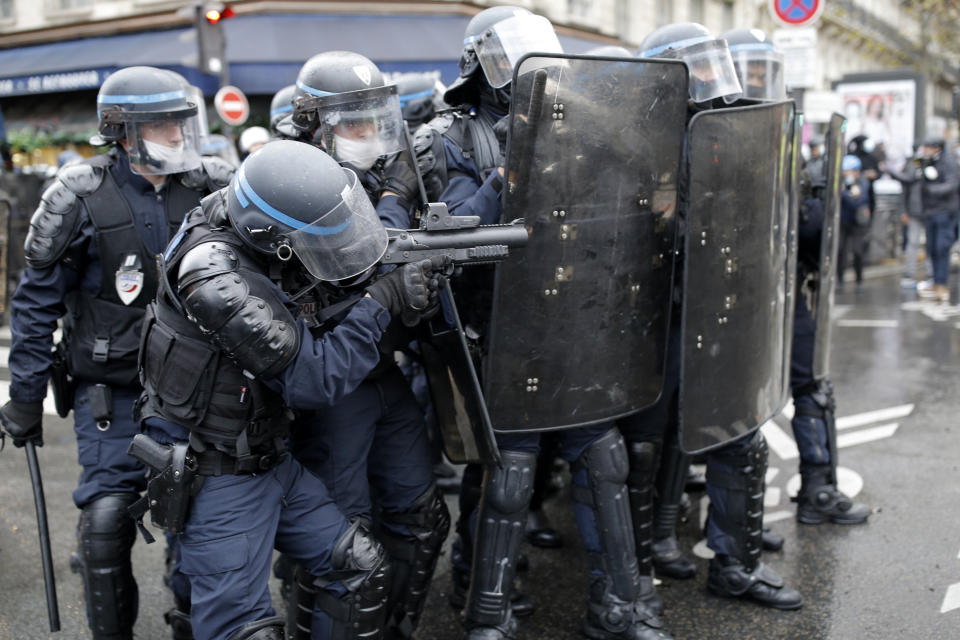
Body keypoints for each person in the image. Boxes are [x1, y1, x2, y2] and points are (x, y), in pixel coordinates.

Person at [425, 8, 673, 640]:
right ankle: (487, 610)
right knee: (507, 473)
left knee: (604, 461)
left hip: (576, 324)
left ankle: (616, 610)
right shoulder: (451, 136)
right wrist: (509, 162)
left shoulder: (583, 127)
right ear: (478, 64)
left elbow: (626, 207)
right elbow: (457, 240)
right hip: (500, 332)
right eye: (507, 57)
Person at [137, 140, 447, 640]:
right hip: (215, 472)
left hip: (267, 456)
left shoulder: (248, 222)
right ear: (275, 238)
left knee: (360, 567)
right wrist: (380, 301)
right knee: (242, 631)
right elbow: (313, 379)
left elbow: (321, 291)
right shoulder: (216, 275)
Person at [0, 65, 234, 640]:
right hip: (113, 395)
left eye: (183, 124)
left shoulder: (214, 188)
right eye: (165, 125)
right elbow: (34, 307)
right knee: (105, 523)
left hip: (202, 393)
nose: (180, 136)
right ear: (124, 132)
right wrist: (25, 396)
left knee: (201, 522)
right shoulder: (79, 197)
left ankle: (191, 623)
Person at [620, 22, 803, 611]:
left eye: (709, 65)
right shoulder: (630, 142)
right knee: (647, 447)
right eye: (692, 67)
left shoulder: (727, 132)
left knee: (739, 435)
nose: (708, 78)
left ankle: (735, 563)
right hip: (654, 320)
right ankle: (636, 567)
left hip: (720, 310)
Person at [287, 50, 448, 639]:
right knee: (342, 546)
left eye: (373, 118)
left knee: (422, 517)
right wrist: (392, 207)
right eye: (352, 122)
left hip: (384, 375)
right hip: (334, 388)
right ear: (316, 125)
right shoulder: (295, 184)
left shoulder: (380, 177)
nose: (368, 133)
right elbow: (346, 268)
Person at [792, 142, 872, 526]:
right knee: (810, 389)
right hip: (771, 297)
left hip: (764, 296)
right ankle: (817, 491)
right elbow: (810, 229)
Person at [914, 136, 958, 302]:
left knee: (942, 248)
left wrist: (931, 190)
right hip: (930, 212)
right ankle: (935, 282)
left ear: (937, 148)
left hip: (945, 213)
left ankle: (942, 284)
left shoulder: (948, 162)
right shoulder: (928, 162)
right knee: (932, 249)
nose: (924, 150)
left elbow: (952, 185)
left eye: (927, 147)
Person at [885, 147, 932, 288]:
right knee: (913, 243)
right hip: (915, 211)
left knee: (930, 244)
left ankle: (930, 274)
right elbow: (905, 188)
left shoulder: (932, 165)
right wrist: (903, 211)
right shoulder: (913, 166)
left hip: (930, 210)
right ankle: (910, 274)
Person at [838, 154, 871, 291]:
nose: (847, 174)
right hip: (843, 221)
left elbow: (856, 202)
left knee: (857, 251)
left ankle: (859, 280)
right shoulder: (841, 182)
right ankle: (839, 280)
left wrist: (844, 193)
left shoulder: (863, 182)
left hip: (858, 223)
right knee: (840, 251)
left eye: (850, 171)